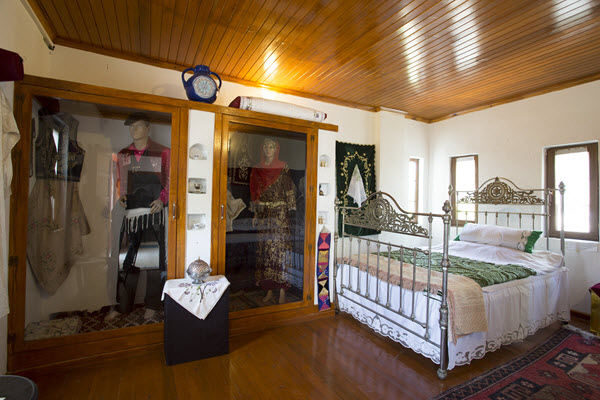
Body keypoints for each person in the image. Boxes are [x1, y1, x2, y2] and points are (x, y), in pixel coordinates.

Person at [114, 112, 170, 320]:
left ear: (148, 128)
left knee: (154, 259)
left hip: (153, 213)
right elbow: (120, 181)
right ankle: (123, 305)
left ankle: (153, 304)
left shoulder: (162, 152)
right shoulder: (123, 154)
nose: (134, 130)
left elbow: (171, 179)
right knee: (126, 260)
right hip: (130, 215)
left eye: (138, 126)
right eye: (131, 126)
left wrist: (162, 199)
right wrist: (121, 196)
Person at [249, 137, 297, 304]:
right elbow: (255, 191)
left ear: (276, 149)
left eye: (271, 147)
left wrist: (291, 208)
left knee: (280, 251)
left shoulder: (283, 167)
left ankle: (282, 291)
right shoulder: (257, 168)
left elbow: (289, 188)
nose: (268, 149)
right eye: (266, 146)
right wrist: (256, 214)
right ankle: (268, 290)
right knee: (265, 252)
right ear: (262, 149)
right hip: (264, 213)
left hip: (279, 214)